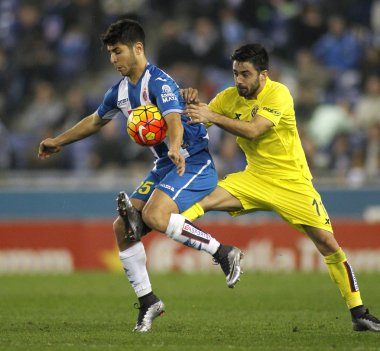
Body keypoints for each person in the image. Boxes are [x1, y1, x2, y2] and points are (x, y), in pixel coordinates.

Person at [38, 19, 243, 332]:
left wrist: (175, 147)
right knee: (123, 227)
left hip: (192, 161)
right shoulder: (120, 92)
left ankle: (223, 252)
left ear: (137, 48)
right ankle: (149, 301)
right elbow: (95, 121)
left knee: (155, 215)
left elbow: (174, 119)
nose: (112, 59)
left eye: (117, 51)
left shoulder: (160, 83)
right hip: (164, 165)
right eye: (109, 53)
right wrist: (58, 141)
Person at [182, 43, 380, 332]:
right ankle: (163, 228)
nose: (239, 80)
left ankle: (359, 312)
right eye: (236, 73)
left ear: (263, 74)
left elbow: (254, 129)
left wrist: (210, 116)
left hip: (292, 183)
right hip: (255, 177)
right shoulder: (228, 98)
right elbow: (197, 124)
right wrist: (187, 105)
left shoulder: (279, 93)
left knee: (328, 244)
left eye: (245, 74)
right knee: (197, 201)